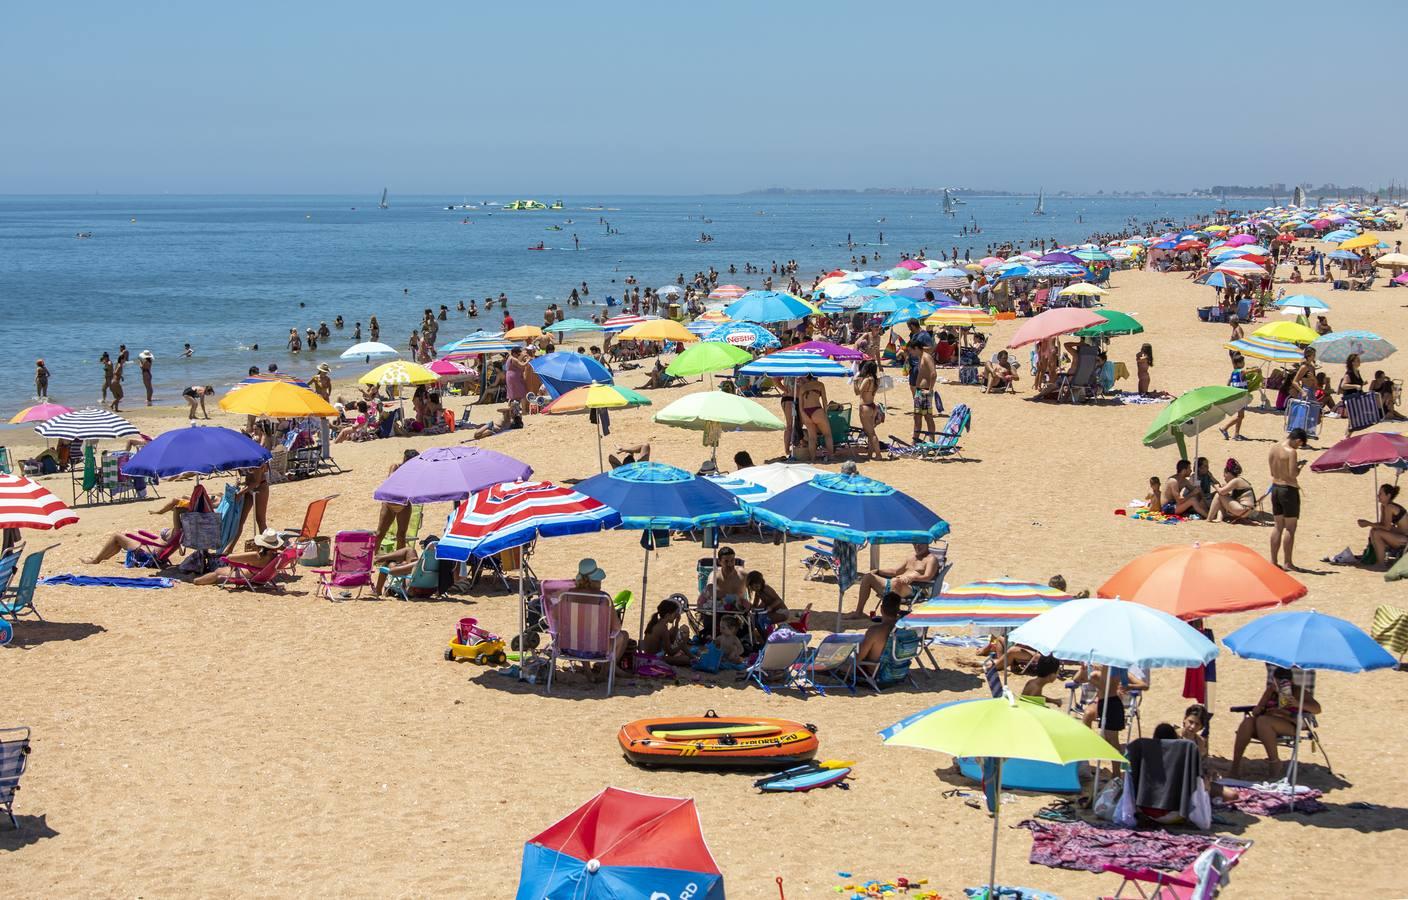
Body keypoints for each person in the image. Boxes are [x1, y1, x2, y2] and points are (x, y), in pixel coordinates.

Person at [1229, 666, 1321, 780]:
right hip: (1266, 724)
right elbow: (1256, 712)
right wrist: (1264, 704)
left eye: (1284, 682)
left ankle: (1274, 762)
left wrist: (1297, 704)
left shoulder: (1298, 692)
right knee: (1247, 722)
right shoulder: (1271, 691)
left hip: (1290, 723)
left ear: (1291, 681)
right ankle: (1235, 767)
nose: (1281, 685)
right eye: (1278, 682)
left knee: (1263, 721)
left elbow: (1317, 709)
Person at [851, 543, 939, 617]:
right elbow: (895, 571)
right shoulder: (911, 557)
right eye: (915, 544)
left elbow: (928, 577)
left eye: (920, 544)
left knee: (896, 582)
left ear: (927, 543)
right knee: (868, 577)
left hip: (915, 588)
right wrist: (878, 571)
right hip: (895, 584)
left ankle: (890, 614)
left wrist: (913, 578)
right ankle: (859, 612)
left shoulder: (931, 559)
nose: (917, 546)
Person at [1269, 428, 1307, 570]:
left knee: (1278, 526)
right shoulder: (1291, 452)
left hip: (1275, 488)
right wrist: (1300, 467)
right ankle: (1287, 562)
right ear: (1298, 440)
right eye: (1299, 444)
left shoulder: (1274, 448)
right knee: (1290, 528)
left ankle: (1273, 561)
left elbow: (1272, 471)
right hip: (1288, 490)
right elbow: (1292, 474)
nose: (1298, 447)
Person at [194, 529, 285, 585]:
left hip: (247, 575)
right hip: (263, 576)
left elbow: (230, 558)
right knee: (221, 573)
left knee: (218, 572)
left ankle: (196, 581)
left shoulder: (256, 556)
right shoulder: (276, 556)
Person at [374, 450, 419, 550]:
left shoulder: (415, 473)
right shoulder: (395, 467)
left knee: (401, 534)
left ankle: (399, 558)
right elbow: (391, 482)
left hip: (404, 504)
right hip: (389, 503)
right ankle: (373, 557)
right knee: (380, 533)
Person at [371, 535, 441, 597]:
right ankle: (380, 558)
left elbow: (392, 571)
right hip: (430, 588)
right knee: (410, 550)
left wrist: (404, 565)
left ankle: (378, 590)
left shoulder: (420, 564)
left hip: (413, 590)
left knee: (389, 562)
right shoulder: (441, 561)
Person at [1361, 483, 1408, 567]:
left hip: (1405, 539)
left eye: (1380, 494)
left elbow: (1386, 527)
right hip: (1401, 535)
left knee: (1377, 533)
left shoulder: (1390, 507)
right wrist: (1369, 524)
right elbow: (1382, 524)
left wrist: (1368, 523)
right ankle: (1380, 559)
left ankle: (1381, 564)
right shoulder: (1384, 506)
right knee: (1374, 530)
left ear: (1388, 495)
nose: (1378, 496)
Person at [227, 462, 270, 553]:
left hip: (260, 488)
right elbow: (248, 478)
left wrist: (241, 493)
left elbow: (256, 481)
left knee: (260, 520)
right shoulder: (243, 460)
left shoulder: (257, 460)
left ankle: (267, 548)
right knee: (240, 520)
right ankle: (229, 549)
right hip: (249, 488)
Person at [639, 598, 693, 666]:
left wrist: (676, 623)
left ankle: (692, 657)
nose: (676, 616)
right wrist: (683, 643)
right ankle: (693, 658)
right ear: (667, 615)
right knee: (685, 659)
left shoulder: (657, 623)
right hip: (654, 659)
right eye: (674, 614)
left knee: (673, 630)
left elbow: (672, 637)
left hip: (651, 656)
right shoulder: (662, 628)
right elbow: (671, 652)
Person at [856, 592, 903, 668]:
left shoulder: (874, 631)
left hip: (875, 673)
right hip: (897, 671)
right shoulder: (904, 629)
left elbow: (858, 658)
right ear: (898, 610)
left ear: (881, 609)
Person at [1207, 458, 1257, 523]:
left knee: (1219, 494)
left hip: (1243, 510)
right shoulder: (1239, 480)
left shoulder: (1236, 481)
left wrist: (1216, 486)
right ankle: (1219, 518)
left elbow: (1221, 492)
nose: (1224, 478)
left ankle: (1209, 518)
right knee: (1223, 496)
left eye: (1224, 476)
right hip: (1248, 510)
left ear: (1227, 473)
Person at [796, 373, 832, 461]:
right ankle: (831, 457)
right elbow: (824, 401)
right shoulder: (819, 385)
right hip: (817, 410)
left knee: (812, 438)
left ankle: (812, 459)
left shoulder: (802, 388)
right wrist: (825, 414)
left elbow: (801, 406)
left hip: (806, 412)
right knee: (828, 435)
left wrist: (803, 416)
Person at [908, 339, 938, 441]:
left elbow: (933, 373)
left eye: (911, 350)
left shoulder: (926, 357)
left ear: (916, 348)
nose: (910, 353)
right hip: (919, 392)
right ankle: (915, 441)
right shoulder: (920, 357)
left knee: (928, 417)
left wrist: (930, 390)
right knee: (917, 417)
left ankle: (932, 441)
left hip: (925, 391)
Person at [698, 545, 745, 609]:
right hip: (719, 611)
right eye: (726, 561)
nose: (730, 564)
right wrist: (728, 597)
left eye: (732, 560)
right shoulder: (715, 574)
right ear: (719, 562)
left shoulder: (742, 574)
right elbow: (710, 588)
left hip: (738, 611)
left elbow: (758, 582)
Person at [853, 359, 883, 459]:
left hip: (865, 407)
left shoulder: (867, 380)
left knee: (871, 433)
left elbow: (858, 392)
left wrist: (855, 382)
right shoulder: (876, 380)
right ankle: (870, 454)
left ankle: (878, 454)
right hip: (872, 406)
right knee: (870, 432)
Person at [1220, 352, 1248, 440]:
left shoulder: (1233, 372)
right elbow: (1246, 371)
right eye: (1242, 362)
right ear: (1237, 364)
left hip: (1237, 397)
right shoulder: (1241, 371)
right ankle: (1225, 428)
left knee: (1240, 416)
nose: (1243, 364)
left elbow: (1229, 383)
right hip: (1240, 397)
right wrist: (1256, 370)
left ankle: (1236, 434)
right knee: (1240, 416)